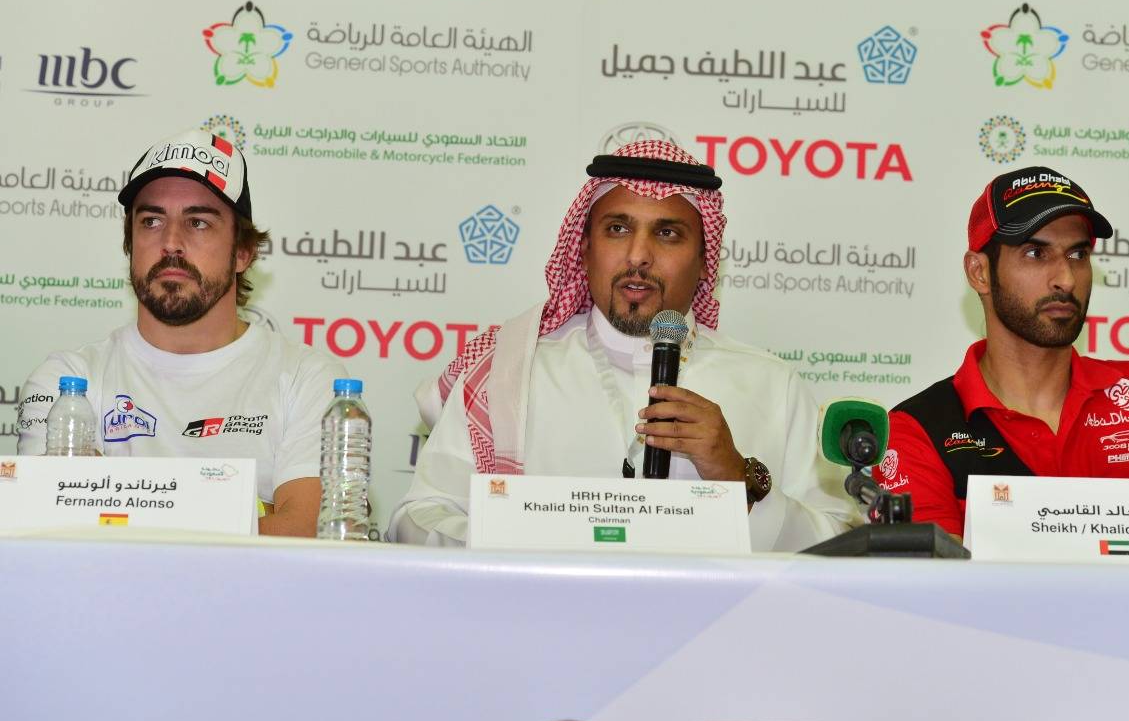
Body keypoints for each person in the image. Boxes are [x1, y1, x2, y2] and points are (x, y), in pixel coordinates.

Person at [389, 140, 853, 550]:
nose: (638, 256)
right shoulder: (509, 372)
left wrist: (736, 478)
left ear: (704, 258)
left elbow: (836, 546)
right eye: (617, 229)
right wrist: (517, 545)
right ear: (585, 246)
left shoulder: (770, 384)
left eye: (668, 233)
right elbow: (416, 518)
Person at [875, 166, 1129, 551]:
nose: (1066, 279)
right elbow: (927, 598)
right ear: (979, 273)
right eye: (1035, 253)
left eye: (1078, 255)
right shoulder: (918, 431)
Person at [17, 129, 345, 536]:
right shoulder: (68, 383)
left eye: (199, 222)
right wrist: (251, 516)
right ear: (130, 244)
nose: (171, 242)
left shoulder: (308, 379)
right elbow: (58, 524)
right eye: (151, 221)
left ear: (243, 252)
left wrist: (121, 505)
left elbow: (307, 533)